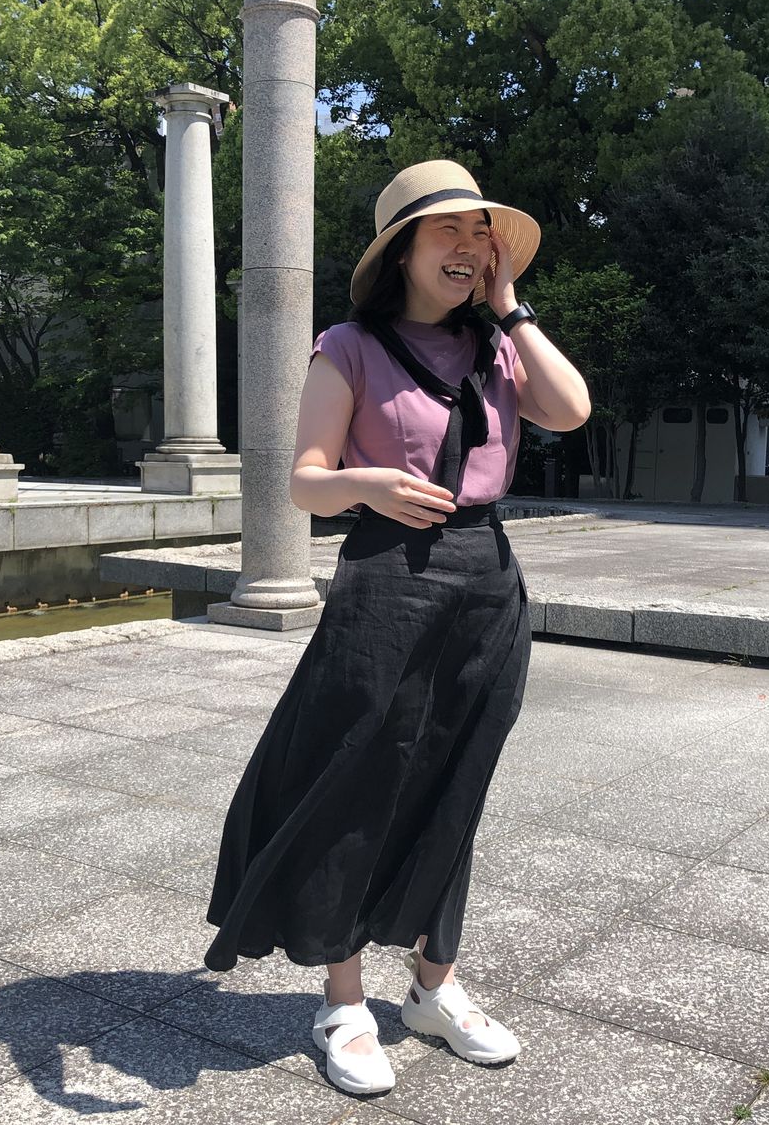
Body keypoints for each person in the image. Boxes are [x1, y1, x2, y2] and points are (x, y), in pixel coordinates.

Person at [204, 160, 591, 1095]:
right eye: (447, 230)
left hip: (486, 579)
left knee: (458, 781)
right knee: (354, 781)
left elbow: (572, 410)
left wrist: (512, 309)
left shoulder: (499, 346)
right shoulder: (348, 347)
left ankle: (433, 986)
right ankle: (343, 1001)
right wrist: (368, 484)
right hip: (386, 578)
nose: (468, 247)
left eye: (480, 233)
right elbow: (304, 481)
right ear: (403, 250)